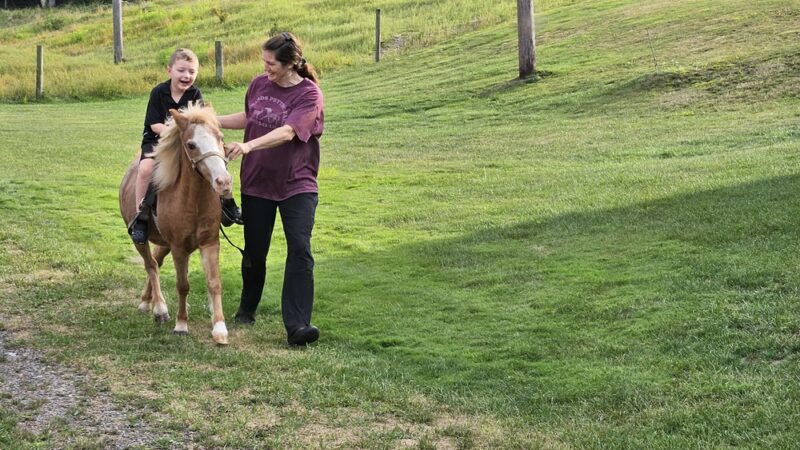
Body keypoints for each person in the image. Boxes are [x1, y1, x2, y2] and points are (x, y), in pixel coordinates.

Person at [218, 32, 324, 346]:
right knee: (254, 251)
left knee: (300, 250)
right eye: (263, 61)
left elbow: (289, 131)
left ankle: (298, 326)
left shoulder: (309, 94)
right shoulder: (258, 84)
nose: (266, 68)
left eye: (271, 63)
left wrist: (249, 145)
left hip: (297, 183)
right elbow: (250, 117)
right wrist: (209, 119)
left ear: (291, 63)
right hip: (258, 182)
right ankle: (247, 308)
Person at [128, 48, 242, 245]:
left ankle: (228, 202)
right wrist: (178, 135)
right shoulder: (158, 92)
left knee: (215, 158)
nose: (186, 75)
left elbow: (201, 121)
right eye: (181, 70)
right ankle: (141, 216)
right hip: (158, 140)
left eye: (191, 71)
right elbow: (154, 125)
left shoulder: (195, 93)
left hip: (189, 143)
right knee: (146, 169)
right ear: (169, 70)